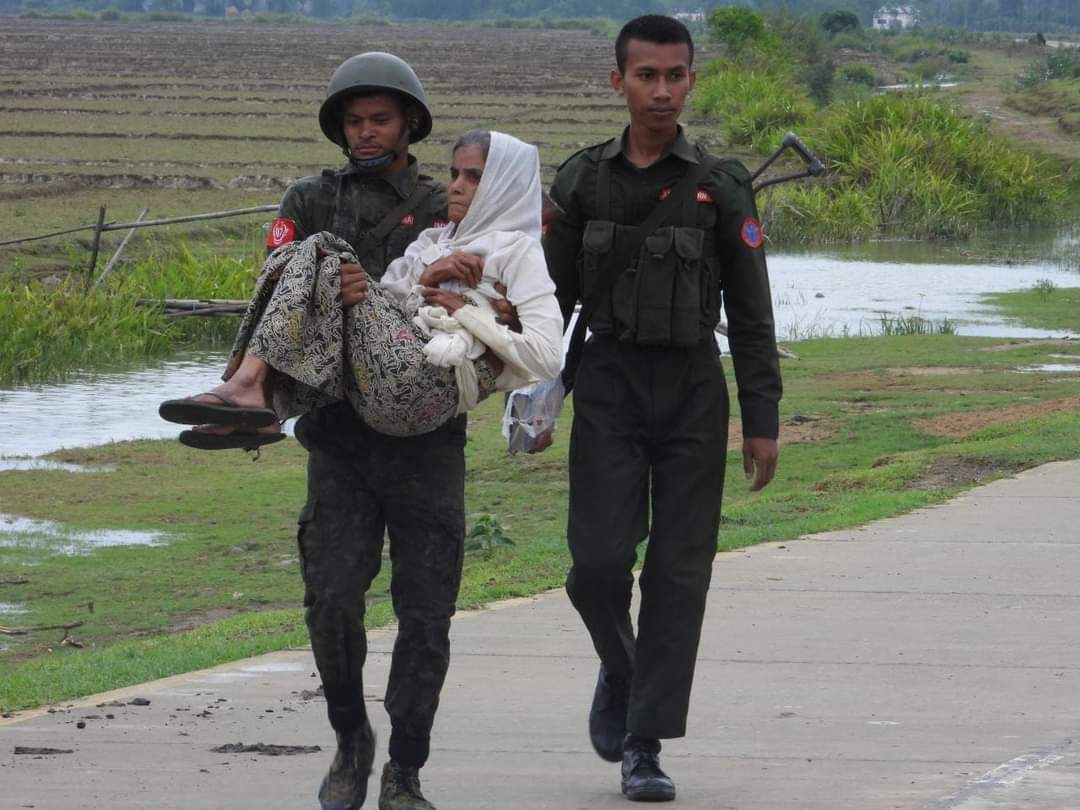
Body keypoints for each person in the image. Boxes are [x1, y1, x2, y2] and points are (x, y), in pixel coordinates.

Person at [163, 53, 517, 810]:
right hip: (338, 438)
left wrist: (387, 300)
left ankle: (406, 771)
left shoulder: (445, 203)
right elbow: (279, 291)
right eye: (354, 120)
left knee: (427, 613)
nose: (365, 132)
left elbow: (483, 295)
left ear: (410, 124)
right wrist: (336, 286)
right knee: (330, 600)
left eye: (380, 119)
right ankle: (351, 741)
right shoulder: (308, 198)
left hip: (426, 443)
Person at [542, 15, 783, 803]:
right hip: (607, 385)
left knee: (680, 574)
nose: (662, 90)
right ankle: (624, 667)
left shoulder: (722, 184)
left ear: (691, 80)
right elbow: (546, 308)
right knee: (597, 566)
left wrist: (762, 418)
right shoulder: (583, 182)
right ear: (618, 82)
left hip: (691, 393)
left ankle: (643, 743)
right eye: (646, 76)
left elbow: (752, 314)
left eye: (676, 75)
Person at [162, 129, 562, 445]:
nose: (456, 185)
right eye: (455, 173)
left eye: (474, 177)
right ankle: (266, 409)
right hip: (388, 382)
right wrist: (426, 279)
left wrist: (468, 314)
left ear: (504, 185)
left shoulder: (519, 251)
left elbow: (547, 358)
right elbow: (394, 317)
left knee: (324, 248)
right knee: (296, 260)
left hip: (430, 390)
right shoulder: (432, 245)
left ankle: (245, 382)